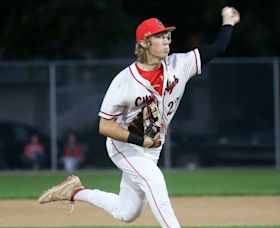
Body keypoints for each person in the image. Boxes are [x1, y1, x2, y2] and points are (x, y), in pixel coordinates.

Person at [38, 6, 240, 228]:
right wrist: (139, 140)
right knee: (155, 181)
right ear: (145, 43)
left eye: (167, 36)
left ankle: (76, 191)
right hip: (124, 146)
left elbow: (218, 48)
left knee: (127, 213)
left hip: (152, 149)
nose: (166, 41)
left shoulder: (179, 64)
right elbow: (105, 126)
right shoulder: (124, 81)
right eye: (160, 37)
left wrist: (228, 22)